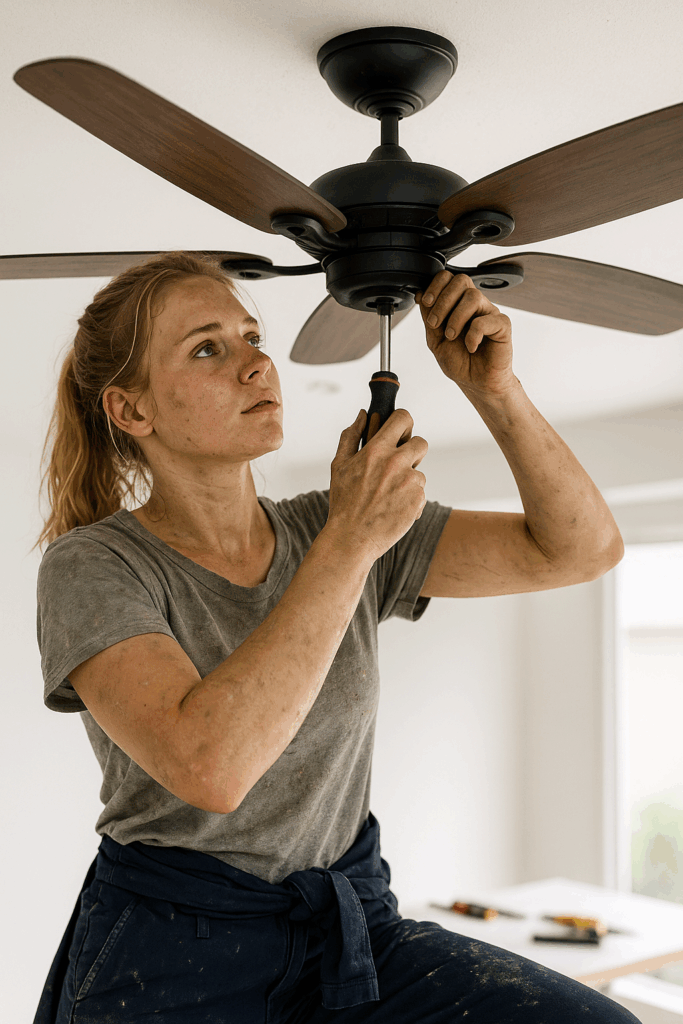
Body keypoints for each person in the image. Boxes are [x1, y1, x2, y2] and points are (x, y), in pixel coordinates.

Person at [32, 251, 638, 1023]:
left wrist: (494, 390)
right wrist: (351, 541)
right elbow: (211, 768)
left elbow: (580, 549)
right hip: (175, 956)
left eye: (251, 336)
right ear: (131, 411)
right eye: (207, 348)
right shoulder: (95, 565)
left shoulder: (330, 525)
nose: (256, 364)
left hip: (349, 928)